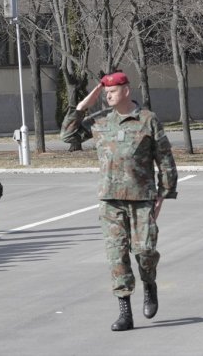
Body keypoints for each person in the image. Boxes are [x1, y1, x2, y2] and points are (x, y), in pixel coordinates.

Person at [60, 71, 178, 331]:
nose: (108, 95)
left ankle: (149, 284)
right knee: (117, 256)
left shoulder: (147, 120)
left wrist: (164, 194)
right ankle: (125, 311)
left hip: (142, 198)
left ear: (126, 90)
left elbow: (165, 158)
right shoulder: (100, 121)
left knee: (145, 251)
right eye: (105, 92)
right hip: (110, 200)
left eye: (112, 91)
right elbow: (67, 135)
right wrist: (84, 103)